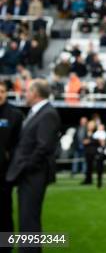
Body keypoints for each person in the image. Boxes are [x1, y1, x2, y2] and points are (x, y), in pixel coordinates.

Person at [6, 79, 61, 251]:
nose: (24, 94)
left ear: (35, 93)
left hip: (34, 174)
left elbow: (43, 147)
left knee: (29, 219)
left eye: (27, 91)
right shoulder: (38, 112)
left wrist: (25, 166)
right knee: (26, 218)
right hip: (29, 174)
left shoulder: (48, 113)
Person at [0, 80, 23, 234]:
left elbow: (20, 144)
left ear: (6, 93)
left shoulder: (15, 115)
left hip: (4, 174)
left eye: (1, 91)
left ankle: (5, 246)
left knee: (4, 212)